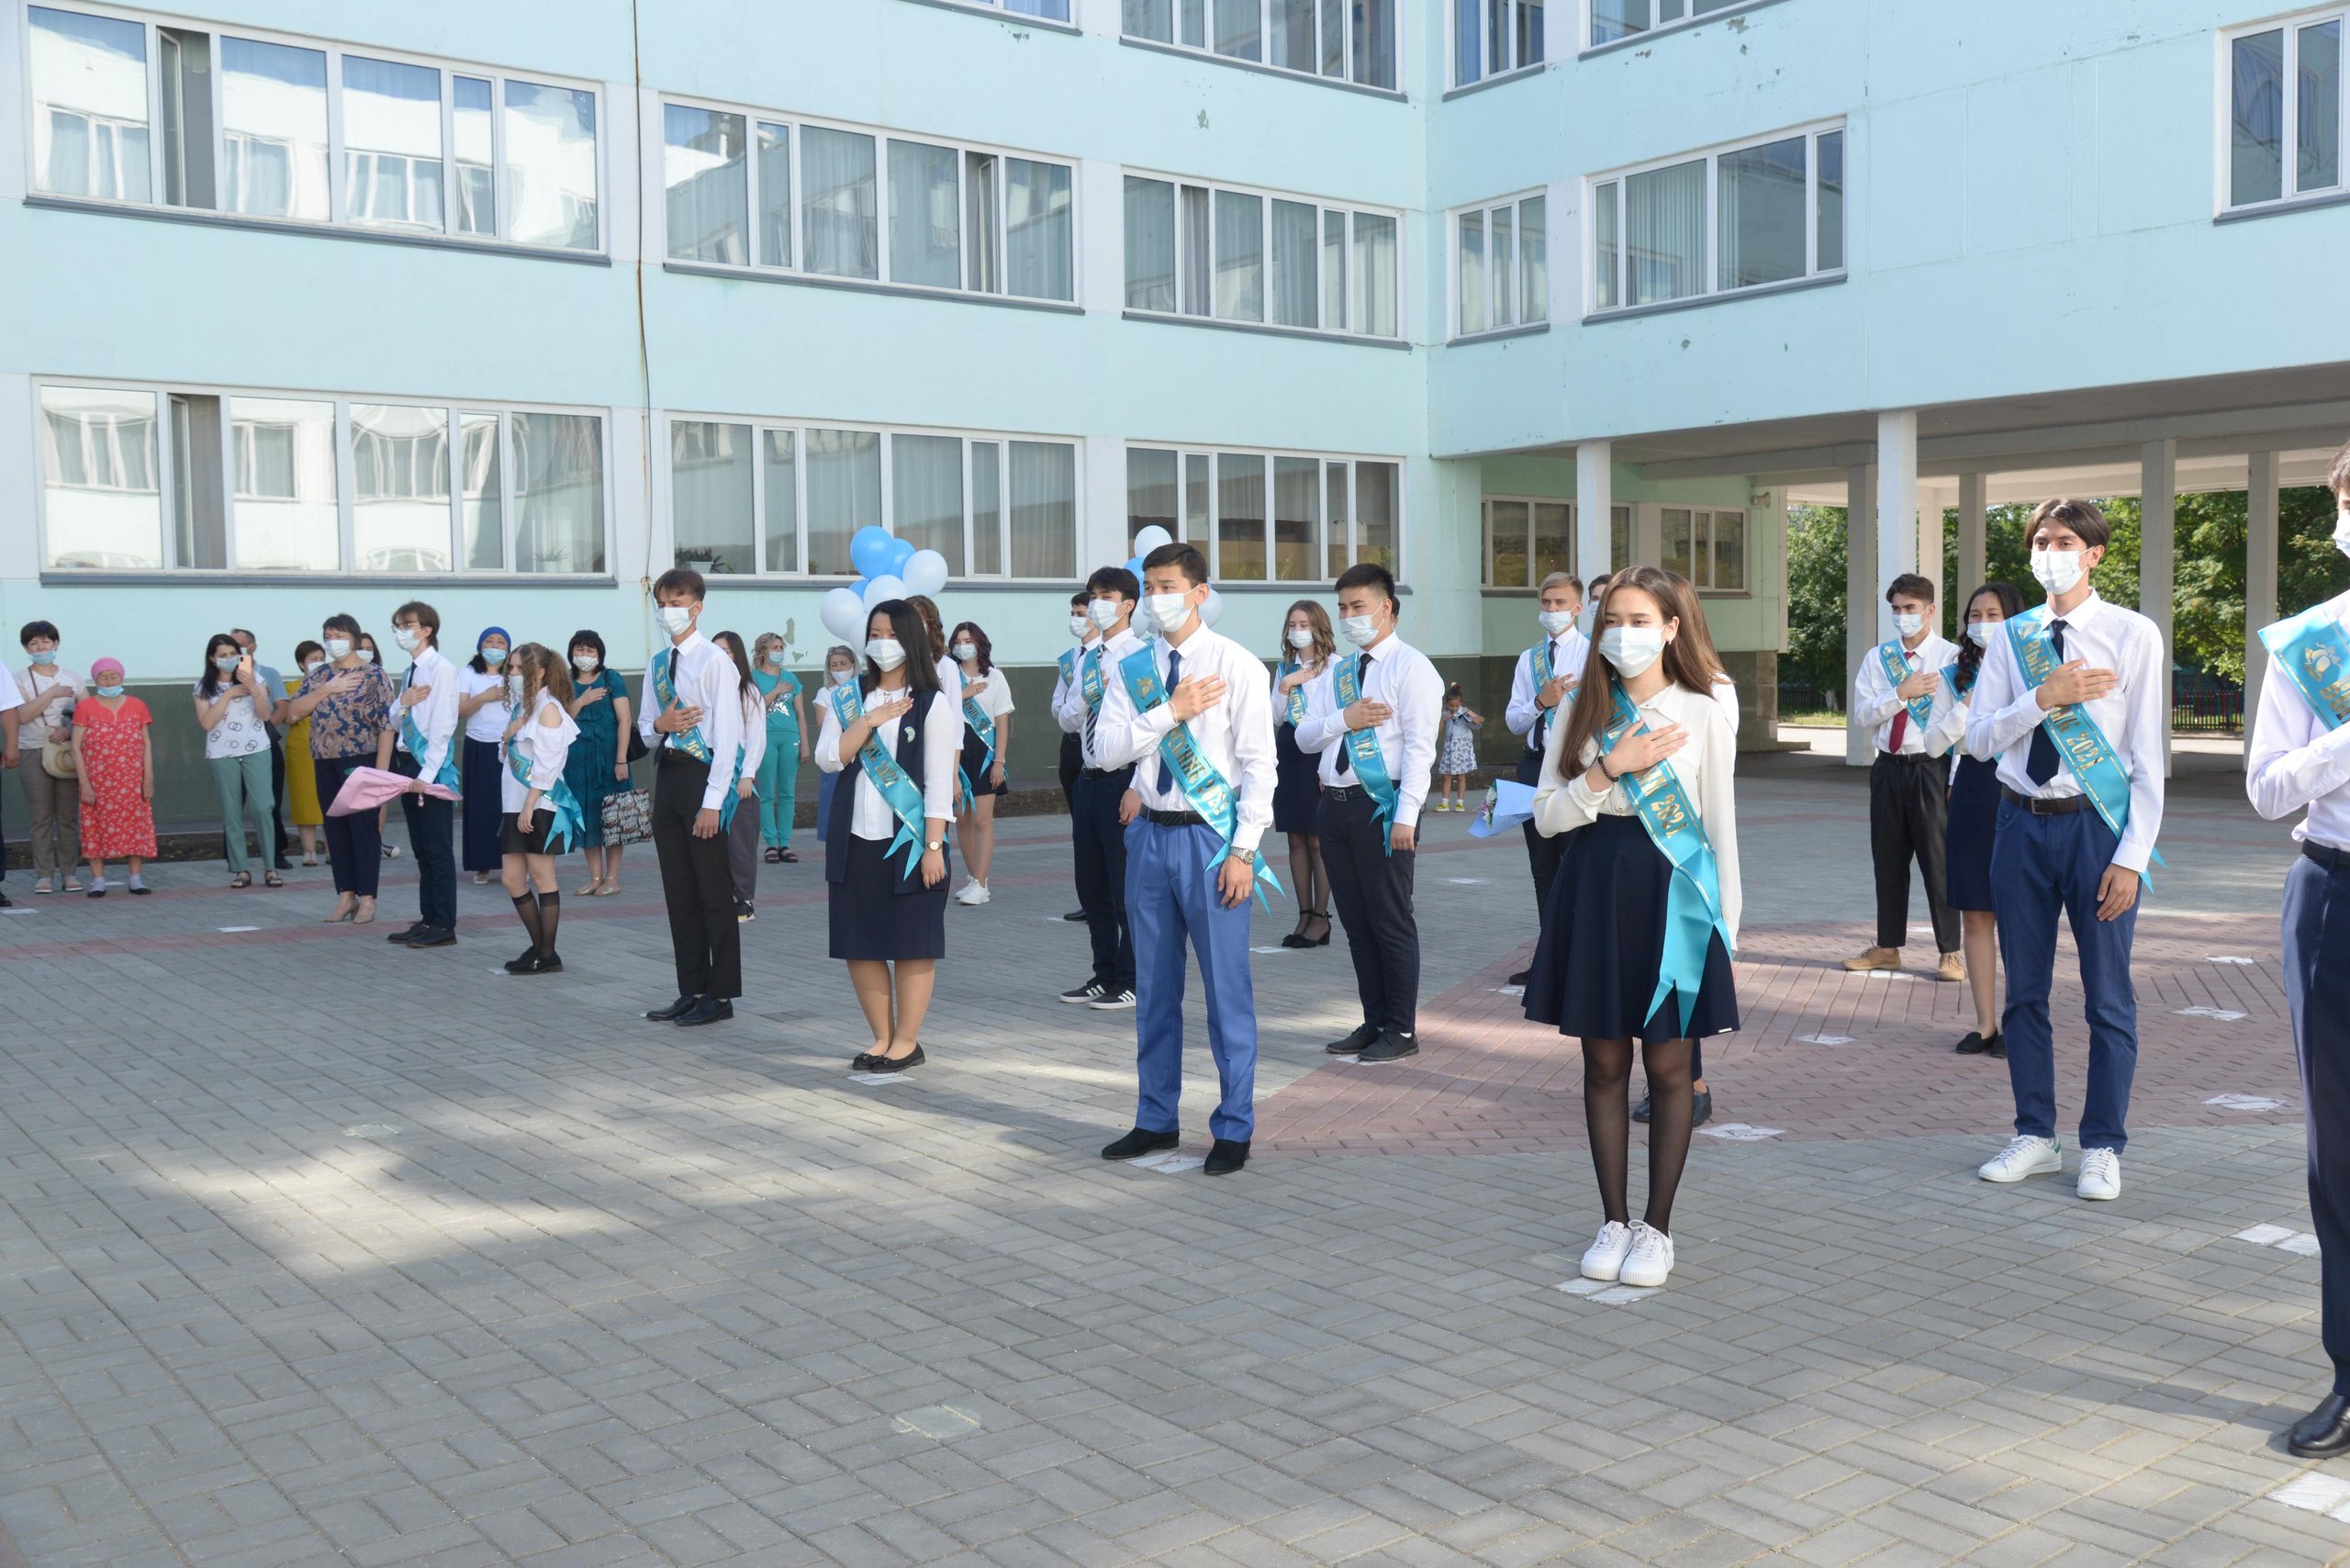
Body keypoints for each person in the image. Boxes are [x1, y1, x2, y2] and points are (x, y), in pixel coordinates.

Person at [1524, 566, 1740, 1292]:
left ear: (1673, 628)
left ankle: (1657, 1228)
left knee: (1671, 1068)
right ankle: (1613, 1220)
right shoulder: (1582, 707)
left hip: (1674, 893)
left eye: (1641, 620)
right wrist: (1607, 770)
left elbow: (1721, 830)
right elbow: (1547, 817)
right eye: (1612, 620)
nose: (1623, 634)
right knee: (1604, 1065)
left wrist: (1726, 930)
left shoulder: (1704, 711)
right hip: (1595, 884)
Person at [1964, 498, 2165, 1202]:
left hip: (2095, 830)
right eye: (2041, 541)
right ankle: (2035, 1134)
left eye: (2064, 541)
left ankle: (2103, 1145)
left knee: (2108, 997)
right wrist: (2043, 697)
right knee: (2025, 993)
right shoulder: (2013, 638)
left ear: (2094, 554)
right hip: (2018, 825)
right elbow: (1978, 739)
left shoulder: (2131, 634)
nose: (2050, 552)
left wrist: (2132, 857)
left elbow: (2148, 757)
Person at [1093, 543, 1278, 1176]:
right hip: (1149, 836)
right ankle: (1155, 1118)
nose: (1157, 598)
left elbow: (1260, 766)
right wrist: (1170, 711)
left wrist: (1244, 850)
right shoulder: (1134, 667)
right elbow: (1106, 751)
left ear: (1200, 593)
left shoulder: (1237, 664)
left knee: (1226, 990)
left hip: (1212, 842)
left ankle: (1234, 1125)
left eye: (1168, 585)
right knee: (1153, 988)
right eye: (1149, 586)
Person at [2246, 445, 2350, 1455]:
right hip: (2334, 899)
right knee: (2340, 1148)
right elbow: (2267, 788)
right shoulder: (2312, 644)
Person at [1295, 562, 1442, 1061]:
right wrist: (1345, 718)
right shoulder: (1338, 672)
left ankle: (1401, 1029)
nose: (1349, 617)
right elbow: (1305, 736)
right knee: (1356, 924)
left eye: (1358, 606)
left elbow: (1421, 748)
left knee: (1390, 921)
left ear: (1387, 609)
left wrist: (1408, 815)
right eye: (1342, 608)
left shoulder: (1412, 667)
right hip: (1333, 807)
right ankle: (1374, 1020)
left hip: (1383, 806)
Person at [816, 599, 954, 1072]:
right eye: (875, 634)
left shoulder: (932, 702)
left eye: (892, 634)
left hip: (912, 842)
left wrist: (934, 847)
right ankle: (880, 1037)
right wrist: (869, 721)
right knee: (860, 943)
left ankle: (907, 1043)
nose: (882, 643)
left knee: (912, 943)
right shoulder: (848, 697)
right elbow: (829, 758)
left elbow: (939, 784)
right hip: (854, 839)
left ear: (911, 639)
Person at [638, 569, 745, 1027]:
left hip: (704, 779)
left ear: (697, 607)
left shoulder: (715, 662)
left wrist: (713, 802)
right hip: (669, 775)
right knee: (679, 891)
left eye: (676, 602)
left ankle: (721, 996)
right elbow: (646, 729)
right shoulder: (657, 664)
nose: (668, 611)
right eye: (662, 603)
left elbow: (729, 734)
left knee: (714, 893)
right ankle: (692, 988)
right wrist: (660, 725)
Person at [1845, 574, 1965, 981]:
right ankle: (1887, 947)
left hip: (1932, 769)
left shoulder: (1952, 657)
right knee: (1888, 862)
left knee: (1939, 863)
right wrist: (1902, 693)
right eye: (1896, 608)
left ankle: (1950, 952)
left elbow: (1962, 723)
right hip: (1888, 769)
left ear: (1930, 610)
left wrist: (1955, 779)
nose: (1902, 615)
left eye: (1910, 608)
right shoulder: (1878, 658)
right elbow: (1863, 715)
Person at [1055, 566, 1147, 1009]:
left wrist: (1140, 787)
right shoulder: (1088, 659)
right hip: (1088, 779)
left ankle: (1132, 978)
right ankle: (1104, 972)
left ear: (1128, 604)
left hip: (1124, 780)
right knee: (1092, 887)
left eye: (1105, 596)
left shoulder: (1141, 656)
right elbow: (1067, 719)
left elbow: (1156, 729)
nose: (1095, 604)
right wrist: (1090, 696)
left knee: (1126, 887)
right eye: (1092, 596)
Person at [1947, 583, 2023, 1057]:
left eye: (1993, 614)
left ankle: (2021, 1020)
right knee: (1975, 912)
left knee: (2018, 914)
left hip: (2019, 788)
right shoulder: (1955, 672)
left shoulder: (2035, 667)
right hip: (1972, 790)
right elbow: (1942, 740)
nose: (1982, 623)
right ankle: (1984, 1024)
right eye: (1975, 615)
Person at [1504, 574, 1588, 983]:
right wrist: (1541, 701)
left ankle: (1580, 958)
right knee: (1542, 869)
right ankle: (1549, 959)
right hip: (1533, 765)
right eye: (1546, 602)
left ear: (1578, 608)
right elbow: (1514, 720)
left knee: (1575, 865)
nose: (1552, 610)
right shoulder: (1529, 659)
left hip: (1573, 769)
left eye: (1561, 603)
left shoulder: (1591, 654)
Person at [289, 614, 397, 924]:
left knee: (363, 830)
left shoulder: (374, 675)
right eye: (328, 635)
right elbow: (293, 713)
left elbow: (386, 725)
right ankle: (346, 895)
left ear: (353, 639)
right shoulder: (320, 675)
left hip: (361, 760)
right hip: (325, 759)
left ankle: (368, 898)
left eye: (338, 635)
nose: (332, 641)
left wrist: (381, 774)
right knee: (335, 829)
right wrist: (327, 689)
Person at [498, 644, 583, 975]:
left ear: (541, 672)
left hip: (539, 804)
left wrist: (529, 806)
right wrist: (506, 736)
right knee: (511, 878)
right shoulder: (523, 707)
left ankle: (546, 954)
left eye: (521, 669)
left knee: (541, 876)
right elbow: (507, 758)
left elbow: (549, 766)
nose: (513, 674)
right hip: (514, 802)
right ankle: (540, 947)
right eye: (511, 668)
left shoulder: (548, 708)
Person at [382, 601, 463, 948]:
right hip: (408, 763)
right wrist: (404, 701)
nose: (401, 632)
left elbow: (444, 726)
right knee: (421, 849)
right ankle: (428, 919)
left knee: (437, 848)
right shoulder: (410, 672)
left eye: (407, 625)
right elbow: (395, 720)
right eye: (398, 626)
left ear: (426, 630)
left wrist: (428, 774)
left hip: (430, 767)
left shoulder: (442, 669)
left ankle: (444, 924)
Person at [195, 632, 282, 889]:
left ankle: (271, 867)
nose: (229, 659)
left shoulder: (255, 678)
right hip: (221, 753)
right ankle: (241, 869)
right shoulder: (203, 687)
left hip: (257, 749)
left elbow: (265, 714)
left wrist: (253, 688)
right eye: (223, 655)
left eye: (233, 654)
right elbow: (207, 722)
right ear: (212, 658)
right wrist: (228, 694)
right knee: (231, 811)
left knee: (263, 807)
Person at [1274, 601, 1334, 948]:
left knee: (1317, 839)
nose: (1297, 630)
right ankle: (1304, 914)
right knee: (1295, 838)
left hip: (1320, 753)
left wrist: (1330, 766)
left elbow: (1340, 717)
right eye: (1292, 624)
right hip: (1289, 753)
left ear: (1318, 627)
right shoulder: (1285, 667)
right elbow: (1274, 717)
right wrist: (1285, 686)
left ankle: (1321, 919)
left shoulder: (1336, 666)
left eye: (1304, 624)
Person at [73, 658, 155, 897]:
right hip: (98, 783)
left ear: (121, 677)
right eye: (103, 677)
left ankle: (136, 879)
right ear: (95, 680)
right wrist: (85, 783)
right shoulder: (85, 707)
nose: (109, 681)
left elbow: (147, 744)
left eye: (113, 676)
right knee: (95, 827)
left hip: (131, 781)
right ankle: (98, 881)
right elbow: (76, 747)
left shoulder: (138, 705)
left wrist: (148, 778)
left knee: (134, 826)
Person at [563, 632, 634, 896]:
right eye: (579, 650)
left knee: (613, 816)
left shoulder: (610, 678)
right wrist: (581, 702)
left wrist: (621, 760)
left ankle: (612, 879)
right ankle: (595, 878)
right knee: (587, 817)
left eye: (590, 651)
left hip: (609, 759)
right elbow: (560, 719)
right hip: (577, 761)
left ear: (599, 654)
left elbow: (625, 720)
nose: (584, 655)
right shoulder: (566, 681)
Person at [15, 622, 84, 893]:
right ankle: (44, 875)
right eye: (33, 643)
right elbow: (22, 715)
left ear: (56, 643)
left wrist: (69, 731)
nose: (41, 648)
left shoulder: (73, 677)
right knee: (40, 818)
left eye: (46, 641)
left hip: (67, 751)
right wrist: (52, 693)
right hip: (32, 749)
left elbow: (86, 715)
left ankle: (69, 873)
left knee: (67, 817)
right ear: (26, 648)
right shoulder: (19, 679)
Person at [949, 621, 1015, 905]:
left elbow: (1002, 723)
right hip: (955, 751)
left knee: (982, 819)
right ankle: (974, 879)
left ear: (980, 644)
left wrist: (999, 761)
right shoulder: (948, 675)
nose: (962, 646)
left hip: (985, 753)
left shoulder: (995, 677)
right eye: (958, 641)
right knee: (962, 818)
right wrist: (961, 695)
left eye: (968, 641)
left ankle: (982, 881)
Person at [710, 630, 767, 922]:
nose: (720, 656)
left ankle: (744, 900)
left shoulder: (749, 692)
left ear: (737, 656)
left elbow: (756, 737)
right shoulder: (707, 689)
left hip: (741, 778)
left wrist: (747, 775)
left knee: (741, 841)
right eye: (715, 650)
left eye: (726, 651)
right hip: (713, 776)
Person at [229, 628, 295, 871]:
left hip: (264, 744)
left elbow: (281, 707)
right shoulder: (223, 676)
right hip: (232, 747)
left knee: (269, 800)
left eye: (239, 645)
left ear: (252, 647)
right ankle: (233, 855)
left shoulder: (269, 673)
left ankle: (276, 852)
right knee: (234, 802)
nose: (235, 651)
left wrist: (263, 731)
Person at [457, 628, 513, 884]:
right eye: (489, 641)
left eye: (501, 642)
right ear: (480, 646)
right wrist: (484, 697)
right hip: (478, 746)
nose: (495, 645)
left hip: (507, 746)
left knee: (509, 805)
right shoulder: (468, 673)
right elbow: (460, 711)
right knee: (480, 807)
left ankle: (513, 861)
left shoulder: (515, 674)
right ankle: (482, 864)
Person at [751, 633, 808, 866]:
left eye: (781, 647)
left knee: (787, 792)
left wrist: (805, 743)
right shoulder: (753, 677)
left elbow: (800, 714)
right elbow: (753, 708)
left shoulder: (791, 678)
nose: (779, 651)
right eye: (774, 647)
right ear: (763, 651)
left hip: (790, 737)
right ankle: (770, 844)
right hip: (765, 737)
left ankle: (785, 843)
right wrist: (776, 691)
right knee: (766, 793)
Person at [1055, 591, 1094, 923]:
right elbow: (1058, 706)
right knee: (1080, 829)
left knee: (1098, 830)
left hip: (1094, 748)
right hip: (1070, 744)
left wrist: (1073, 705)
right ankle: (1089, 899)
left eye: (1081, 613)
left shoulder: (1106, 656)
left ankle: (1106, 898)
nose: (1076, 619)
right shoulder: (1070, 660)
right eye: (1074, 613)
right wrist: (1072, 706)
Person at [284, 642, 327, 866]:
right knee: (303, 798)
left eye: (321, 658)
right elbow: (289, 716)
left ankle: (332, 849)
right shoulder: (291, 687)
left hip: (328, 747)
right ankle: (308, 851)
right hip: (301, 748)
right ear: (302, 664)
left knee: (330, 797)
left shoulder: (333, 683)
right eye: (313, 660)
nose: (319, 663)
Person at [815, 644, 857, 844]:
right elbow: (822, 723)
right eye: (834, 665)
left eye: (843, 664)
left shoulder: (862, 688)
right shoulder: (825, 693)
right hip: (835, 752)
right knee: (832, 799)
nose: (839, 669)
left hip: (860, 752)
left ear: (853, 664)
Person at [1435, 684, 1484, 811]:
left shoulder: (1465, 711)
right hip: (1449, 746)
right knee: (1446, 775)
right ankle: (1444, 803)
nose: (1454, 708)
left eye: (1456, 705)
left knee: (1461, 775)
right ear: (1447, 704)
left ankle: (1460, 803)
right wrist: (1443, 720)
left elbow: (1481, 719)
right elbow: (1438, 731)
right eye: (1451, 705)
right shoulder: (1445, 712)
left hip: (1462, 747)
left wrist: (1476, 719)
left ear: (1461, 703)